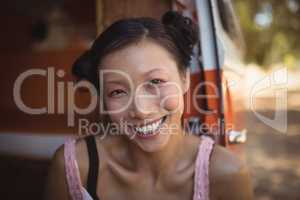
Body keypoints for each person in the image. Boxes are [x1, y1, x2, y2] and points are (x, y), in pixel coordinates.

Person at [44, 11, 253, 200]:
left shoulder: (226, 174)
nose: (141, 110)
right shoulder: (73, 168)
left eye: (155, 82)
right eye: (117, 91)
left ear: (184, 79)